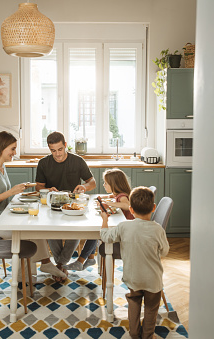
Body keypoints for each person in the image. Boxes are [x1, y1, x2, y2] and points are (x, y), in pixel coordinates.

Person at [0, 131, 67, 281]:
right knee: (30, 232)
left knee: (35, 227)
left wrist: (33, 188)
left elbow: (5, 193)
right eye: (12, 148)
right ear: (1, 148)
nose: (14, 152)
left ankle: (37, 269)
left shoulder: (1, 167)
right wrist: (11, 192)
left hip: (4, 217)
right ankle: (25, 276)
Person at [100, 187, 170, 339]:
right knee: (151, 308)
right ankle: (147, 335)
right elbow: (164, 251)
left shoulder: (124, 226)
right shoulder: (158, 230)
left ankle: (133, 333)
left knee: (134, 301)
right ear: (153, 207)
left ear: (130, 209)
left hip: (133, 277)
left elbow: (106, 237)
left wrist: (104, 219)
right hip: (153, 279)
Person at [35, 131, 97, 281]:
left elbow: (92, 182)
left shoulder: (77, 161)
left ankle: (60, 265)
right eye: (53, 151)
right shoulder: (44, 163)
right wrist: (46, 190)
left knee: (75, 231)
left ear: (65, 145)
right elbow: (38, 187)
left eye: (60, 149)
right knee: (50, 232)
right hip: (52, 205)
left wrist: (84, 187)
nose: (57, 154)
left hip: (73, 205)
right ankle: (61, 265)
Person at [64, 168, 134, 271]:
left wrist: (109, 203)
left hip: (124, 233)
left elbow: (126, 205)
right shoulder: (118, 194)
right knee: (97, 230)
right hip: (122, 228)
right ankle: (90, 258)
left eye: (106, 183)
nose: (104, 185)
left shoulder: (123, 196)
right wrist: (105, 198)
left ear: (114, 184)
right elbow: (113, 197)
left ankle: (81, 261)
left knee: (98, 231)